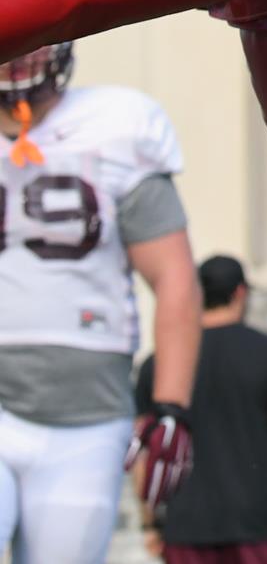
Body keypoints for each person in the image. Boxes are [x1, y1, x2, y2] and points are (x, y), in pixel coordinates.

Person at [0, 41, 199, 562]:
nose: (18, 58)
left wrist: (171, 408)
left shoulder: (118, 125)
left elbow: (174, 276)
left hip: (85, 417)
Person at [136, 256, 267, 563]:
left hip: (185, 525)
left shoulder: (159, 363)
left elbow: (146, 452)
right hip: (256, 523)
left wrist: (149, 522)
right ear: (241, 292)